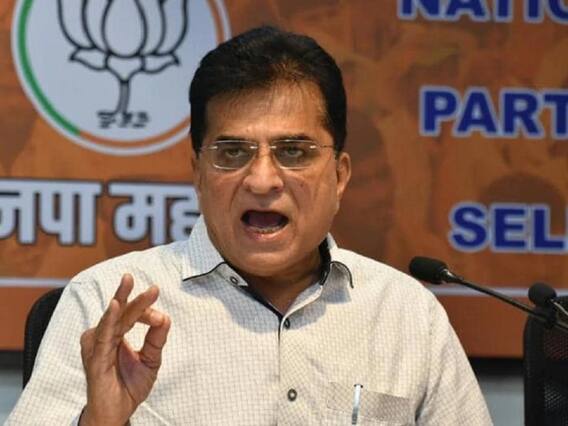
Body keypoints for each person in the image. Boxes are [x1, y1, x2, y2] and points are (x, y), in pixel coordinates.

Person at [7, 26, 491, 425]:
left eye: (294, 152)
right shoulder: (104, 302)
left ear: (340, 176)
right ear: (198, 174)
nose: (262, 180)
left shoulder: (406, 314)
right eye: (233, 152)